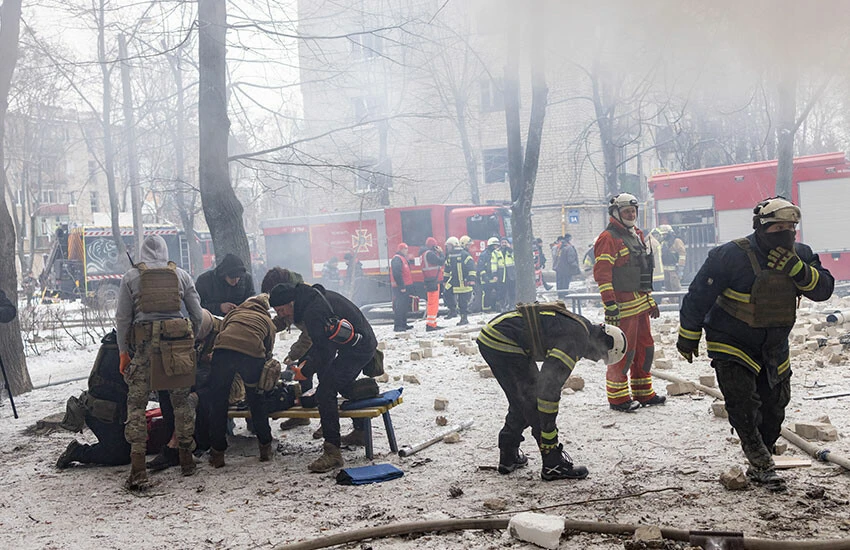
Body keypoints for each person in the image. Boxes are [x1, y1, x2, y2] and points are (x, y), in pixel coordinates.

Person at [677, 197, 834, 491]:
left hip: (774, 345)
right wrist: (688, 334)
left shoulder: (801, 254)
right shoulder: (729, 256)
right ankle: (761, 462)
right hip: (731, 341)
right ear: (760, 227)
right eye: (777, 226)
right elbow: (699, 295)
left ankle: (762, 448)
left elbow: (824, 290)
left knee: (775, 408)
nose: (785, 233)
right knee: (743, 403)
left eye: (790, 227)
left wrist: (797, 269)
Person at [477, 302, 626, 480]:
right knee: (532, 401)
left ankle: (509, 455)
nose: (595, 359)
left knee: (523, 400)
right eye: (601, 355)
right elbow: (548, 390)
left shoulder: (581, 328)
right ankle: (552, 463)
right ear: (604, 341)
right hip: (501, 340)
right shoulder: (576, 340)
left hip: (498, 336)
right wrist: (549, 439)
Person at [115, 235, 203, 490]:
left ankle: (138, 468)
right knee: (182, 402)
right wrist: (191, 341)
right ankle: (187, 460)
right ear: (166, 251)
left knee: (136, 406)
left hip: (143, 350)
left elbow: (122, 319)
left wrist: (123, 352)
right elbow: (197, 314)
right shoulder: (182, 275)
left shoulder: (131, 277)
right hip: (176, 348)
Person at [269, 282, 378, 472]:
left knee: (325, 390)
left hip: (359, 348)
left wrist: (306, 369)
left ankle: (332, 453)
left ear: (291, 303)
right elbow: (323, 344)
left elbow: (325, 351)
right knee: (339, 384)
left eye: (281, 310)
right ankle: (361, 428)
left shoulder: (313, 311)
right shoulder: (309, 300)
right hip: (354, 344)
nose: (281, 314)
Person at [593, 193, 665, 412]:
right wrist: (610, 303)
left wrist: (649, 299)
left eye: (633, 211)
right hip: (622, 306)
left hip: (640, 303)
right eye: (627, 211)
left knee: (646, 348)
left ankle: (644, 392)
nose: (631, 214)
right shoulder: (608, 238)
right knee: (622, 351)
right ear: (616, 213)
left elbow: (642, 271)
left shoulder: (637, 235)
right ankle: (618, 398)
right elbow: (602, 274)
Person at [208, 294, 278, 468]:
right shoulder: (267, 321)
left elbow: (223, 330)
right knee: (256, 399)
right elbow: (268, 350)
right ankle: (265, 447)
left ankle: (217, 454)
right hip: (252, 356)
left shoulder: (234, 314)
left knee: (218, 402)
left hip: (222, 352)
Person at [146, 309, 220, 471]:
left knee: (190, 396)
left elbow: (230, 379)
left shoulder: (222, 334)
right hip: (196, 378)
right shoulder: (185, 331)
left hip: (215, 386)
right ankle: (174, 441)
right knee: (168, 388)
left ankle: (176, 446)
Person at [56, 330, 131, 469]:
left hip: (114, 412)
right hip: (104, 414)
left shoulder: (121, 342)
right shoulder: (120, 349)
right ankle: (77, 452)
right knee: (120, 454)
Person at [261, 267, 314, 432]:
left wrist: (293, 354)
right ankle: (302, 416)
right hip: (314, 336)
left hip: (325, 338)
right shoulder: (290, 295)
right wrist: (264, 327)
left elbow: (308, 336)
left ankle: (326, 421)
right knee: (303, 375)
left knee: (325, 379)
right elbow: (283, 318)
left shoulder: (305, 298)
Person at [443, 236, 476, 326]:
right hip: (455, 282)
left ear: (454, 245)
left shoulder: (465, 255)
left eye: (449, 246)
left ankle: (464, 318)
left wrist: (471, 279)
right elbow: (447, 269)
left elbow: (471, 267)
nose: (448, 248)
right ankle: (452, 310)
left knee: (462, 302)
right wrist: (445, 280)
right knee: (446, 293)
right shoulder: (450, 256)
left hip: (464, 283)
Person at [420, 237, 445, 332]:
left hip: (430, 280)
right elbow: (441, 261)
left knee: (432, 302)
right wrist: (441, 252)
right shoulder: (430, 254)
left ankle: (432, 323)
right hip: (433, 280)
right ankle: (430, 324)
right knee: (433, 303)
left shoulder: (424, 254)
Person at [477, 237, 505, 312]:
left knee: (498, 292)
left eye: (497, 245)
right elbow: (480, 266)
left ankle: (495, 307)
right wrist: (484, 276)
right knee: (487, 293)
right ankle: (486, 309)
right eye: (495, 245)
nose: (496, 247)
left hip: (495, 277)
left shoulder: (497, 253)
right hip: (487, 277)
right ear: (490, 245)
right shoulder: (484, 254)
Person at [390, 243, 413, 332]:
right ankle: (398, 325)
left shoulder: (402, 259)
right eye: (405, 249)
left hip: (405, 286)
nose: (407, 250)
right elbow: (397, 273)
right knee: (399, 307)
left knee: (404, 306)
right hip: (400, 288)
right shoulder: (397, 259)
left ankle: (403, 324)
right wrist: (401, 286)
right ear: (401, 249)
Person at [658, 225, 687, 291]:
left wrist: (681, 268)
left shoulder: (677, 241)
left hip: (674, 270)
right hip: (665, 270)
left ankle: (677, 300)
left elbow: (682, 254)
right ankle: (671, 301)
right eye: (663, 234)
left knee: (675, 286)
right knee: (667, 288)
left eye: (665, 234)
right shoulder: (662, 243)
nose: (664, 236)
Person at [501, 238, 516, 309]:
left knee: (512, 292)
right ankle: (504, 306)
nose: (504, 244)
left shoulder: (511, 252)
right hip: (502, 276)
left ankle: (512, 305)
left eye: (505, 242)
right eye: (502, 242)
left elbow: (515, 260)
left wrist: (510, 250)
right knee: (503, 292)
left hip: (511, 275)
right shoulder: (497, 252)